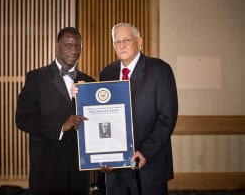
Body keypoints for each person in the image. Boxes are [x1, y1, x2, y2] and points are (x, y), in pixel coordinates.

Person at [72, 23, 178, 195]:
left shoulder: (160, 70)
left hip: (149, 167)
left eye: (126, 40)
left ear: (139, 41)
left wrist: (145, 152)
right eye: (117, 41)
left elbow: (167, 118)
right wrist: (84, 93)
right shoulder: (107, 73)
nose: (121, 45)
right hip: (115, 173)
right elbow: (102, 114)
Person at [15, 27, 95, 195]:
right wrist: (60, 126)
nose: (74, 51)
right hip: (47, 171)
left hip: (79, 174)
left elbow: (95, 126)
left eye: (78, 46)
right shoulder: (36, 78)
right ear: (57, 46)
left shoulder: (89, 82)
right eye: (68, 45)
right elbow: (22, 118)